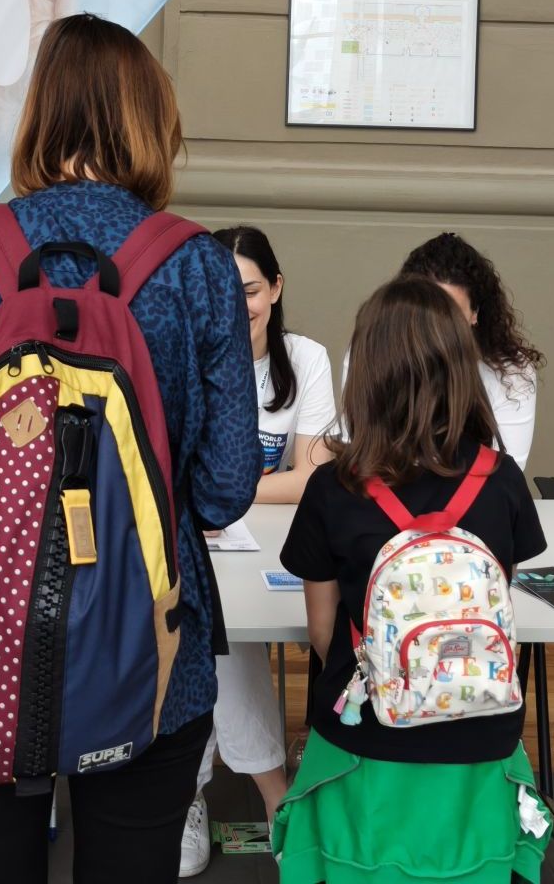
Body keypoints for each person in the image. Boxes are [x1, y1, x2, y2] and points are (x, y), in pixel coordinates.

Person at [0, 13, 261, 882]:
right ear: (152, 122)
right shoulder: (198, 267)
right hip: (153, 645)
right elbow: (227, 488)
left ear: (38, 113)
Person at [275, 276, 552, 884]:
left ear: (368, 373)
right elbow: (493, 599)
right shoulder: (501, 478)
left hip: (368, 737)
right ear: (460, 368)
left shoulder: (333, 488)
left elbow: (323, 634)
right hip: (483, 731)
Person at [177, 226, 336, 876]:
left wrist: (220, 494)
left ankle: (192, 791)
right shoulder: (182, 352)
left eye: (248, 290)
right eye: (222, 291)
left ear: (275, 288)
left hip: (276, 548)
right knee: (210, 625)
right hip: (200, 546)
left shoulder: (307, 359)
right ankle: (272, 795)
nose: (237, 305)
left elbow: (316, 478)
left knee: (215, 629)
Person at [398, 233, 545, 467]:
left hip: (477, 489)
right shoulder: (371, 355)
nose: (439, 330)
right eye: (428, 314)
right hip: (389, 489)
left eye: (452, 315)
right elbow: (363, 457)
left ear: (475, 313)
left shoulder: (511, 372)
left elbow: (506, 472)